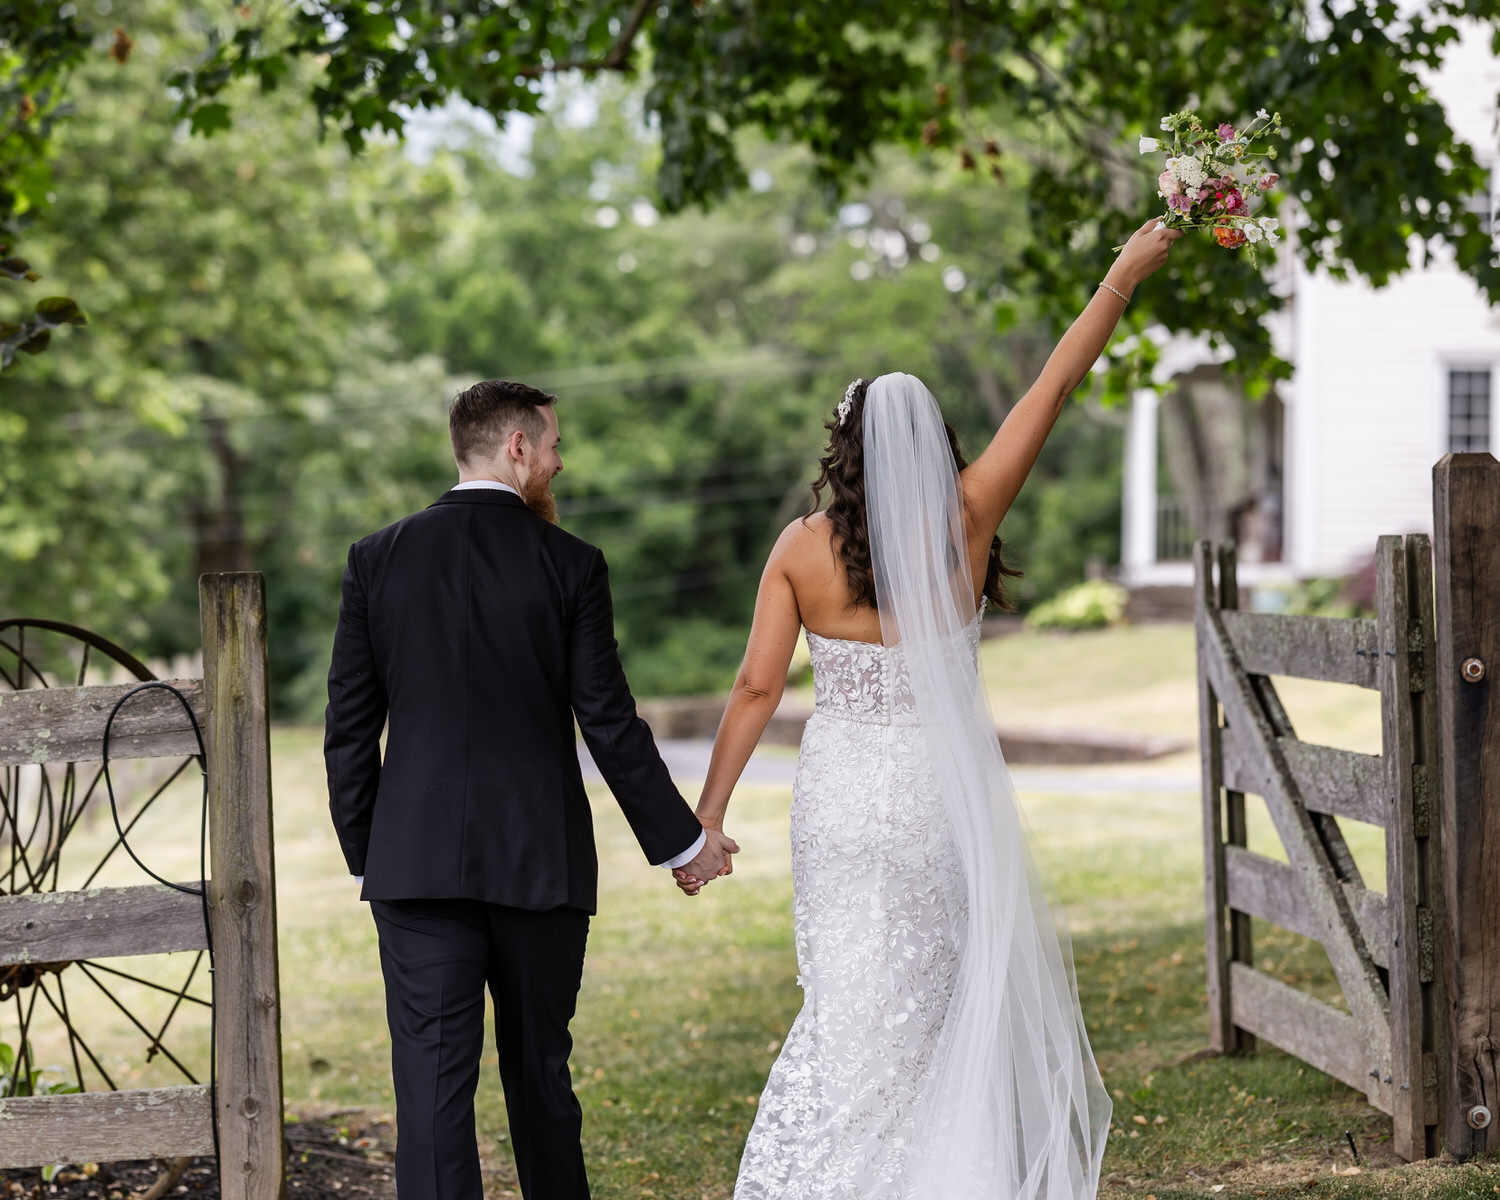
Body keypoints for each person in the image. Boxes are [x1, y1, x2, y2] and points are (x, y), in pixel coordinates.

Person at [675, 218, 1182, 1198]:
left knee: (850, 1001)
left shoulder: (798, 547)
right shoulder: (972, 513)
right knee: (937, 1002)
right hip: (937, 798)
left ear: (846, 445)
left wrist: (708, 814)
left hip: (842, 798)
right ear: (930, 440)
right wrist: (1121, 276)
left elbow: (755, 689)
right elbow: (1054, 386)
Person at [323, 378, 739, 1200]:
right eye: (551, 445)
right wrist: (685, 843)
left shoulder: (377, 558)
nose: (559, 460)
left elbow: (347, 728)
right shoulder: (572, 564)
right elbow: (609, 722)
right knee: (541, 1083)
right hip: (540, 868)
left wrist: (376, 855)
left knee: (432, 1098)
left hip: (416, 870)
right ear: (516, 448)